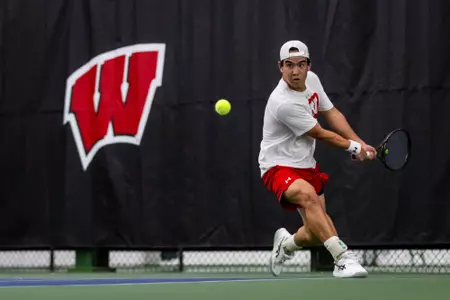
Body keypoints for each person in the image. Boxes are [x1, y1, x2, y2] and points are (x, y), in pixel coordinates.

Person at [258, 40, 377, 278]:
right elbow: (320, 133)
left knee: (313, 231)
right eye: (289, 65)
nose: (295, 71)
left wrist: (360, 143)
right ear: (279, 67)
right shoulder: (283, 102)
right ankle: (343, 259)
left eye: (301, 64)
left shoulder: (312, 81)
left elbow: (332, 113)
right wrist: (354, 148)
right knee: (307, 196)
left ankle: (286, 244)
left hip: (306, 165)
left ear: (308, 66)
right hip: (277, 166)